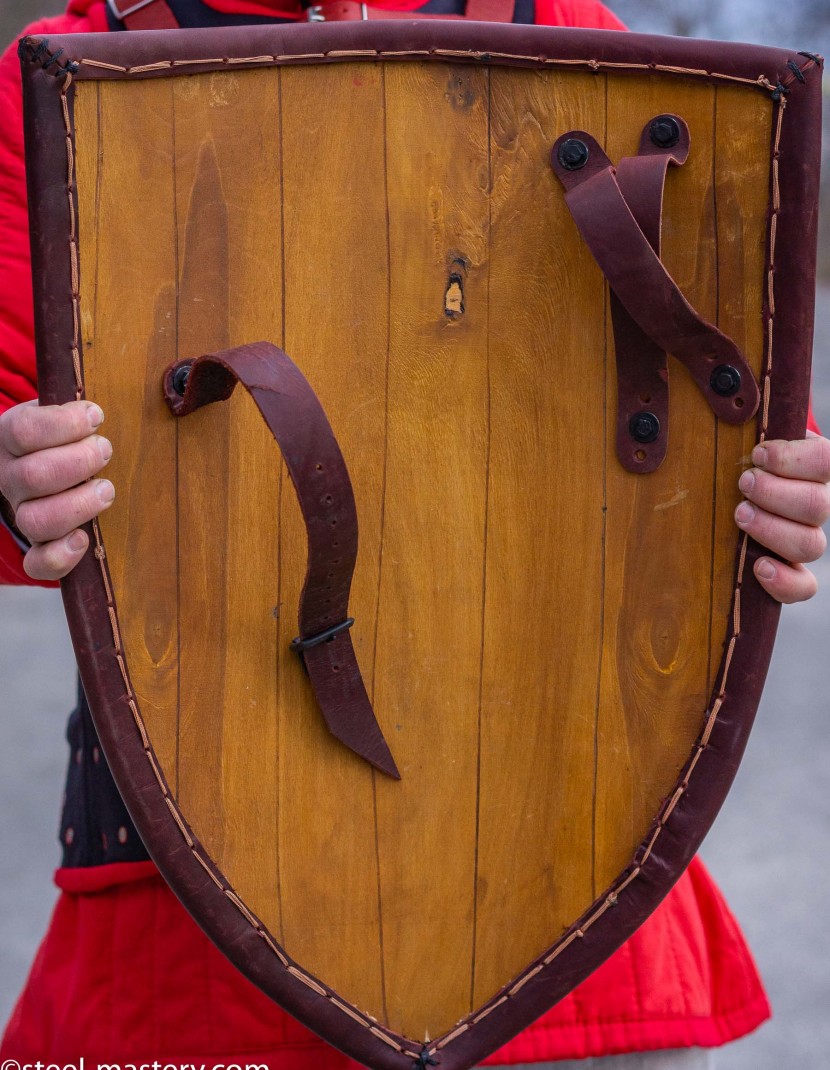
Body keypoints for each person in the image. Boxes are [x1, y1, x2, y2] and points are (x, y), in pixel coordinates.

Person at [0, 0, 829, 1066]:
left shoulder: (561, 26)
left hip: (564, 904)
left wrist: (776, 483)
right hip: (192, 928)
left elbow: (726, 414)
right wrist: (19, 476)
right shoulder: (73, 75)